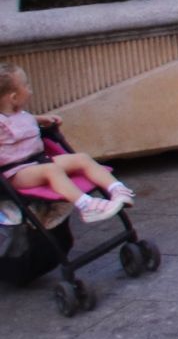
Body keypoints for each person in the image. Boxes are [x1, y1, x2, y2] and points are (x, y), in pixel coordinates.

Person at [0, 65, 134, 223]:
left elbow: (20, 121)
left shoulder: (20, 113)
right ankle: (87, 206)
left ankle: (117, 189)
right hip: (16, 173)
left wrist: (40, 119)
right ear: (14, 97)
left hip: (38, 161)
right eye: (26, 85)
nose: (31, 90)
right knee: (51, 170)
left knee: (81, 158)